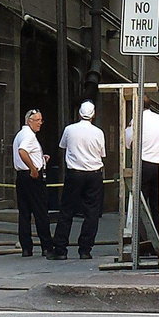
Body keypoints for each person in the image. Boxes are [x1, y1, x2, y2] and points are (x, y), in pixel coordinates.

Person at [48, 100, 106, 261]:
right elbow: (102, 153)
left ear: (80, 113)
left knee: (67, 210)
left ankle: (60, 249)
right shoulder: (98, 132)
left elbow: (63, 147)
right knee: (92, 212)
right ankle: (85, 250)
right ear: (93, 115)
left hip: (74, 173)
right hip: (94, 174)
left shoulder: (69, 130)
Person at [124, 95, 159, 235]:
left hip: (144, 163)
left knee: (140, 205)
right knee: (157, 205)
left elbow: (128, 142)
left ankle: (143, 240)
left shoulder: (136, 120)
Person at [12, 109, 52, 257]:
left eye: (41, 120)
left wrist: (41, 159)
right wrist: (33, 168)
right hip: (32, 178)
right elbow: (23, 151)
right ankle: (46, 246)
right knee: (40, 212)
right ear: (29, 121)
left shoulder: (20, 134)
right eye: (37, 120)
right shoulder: (28, 136)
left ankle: (26, 247)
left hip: (21, 177)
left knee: (24, 213)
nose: (40, 123)